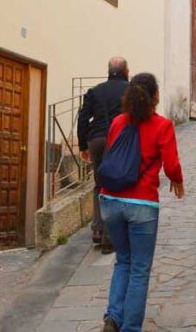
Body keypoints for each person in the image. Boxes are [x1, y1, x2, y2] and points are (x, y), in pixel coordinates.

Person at [99, 73, 184, 332]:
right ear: (155, 95)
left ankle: (113, 316)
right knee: (139, 268)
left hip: (110, 200)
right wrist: (177, 180)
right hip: (142, 203)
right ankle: (130, 327)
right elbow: (171, 165)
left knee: (123, 259)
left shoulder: (117, 122)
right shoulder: (162, 125)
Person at [78, 57, 129, 252]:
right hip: (118, 141)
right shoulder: (130, 90)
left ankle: (98, 230)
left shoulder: (95, 91)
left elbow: (83, 118)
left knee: (99, 185)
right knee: (115, 186)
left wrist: (83, 145)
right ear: (125, 71)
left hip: (96, 140)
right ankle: (110, 234)